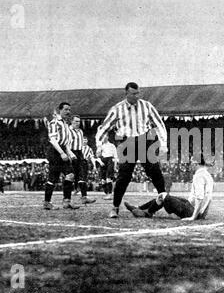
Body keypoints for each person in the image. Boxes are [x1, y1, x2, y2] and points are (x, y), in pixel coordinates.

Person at [95, 82, 168, 218]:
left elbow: (159, 124)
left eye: (138, 93)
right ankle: (115, 207)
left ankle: (166, 202)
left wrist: (163, 143)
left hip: (145, 140)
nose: (136, 96)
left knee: (155, 171)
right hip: (127, 142)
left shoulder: (146, 106)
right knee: (124, 176)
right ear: (126, 94)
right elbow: (104, 128)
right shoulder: (117, 109)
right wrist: (99, 145)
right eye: (133, 94)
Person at [124, 155, 214, 221]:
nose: (190, 165)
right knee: (163, 196)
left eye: (191, 162)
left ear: (195, 163)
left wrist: (194, 217)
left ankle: (147, 212)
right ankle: (140, 208)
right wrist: (203, 213)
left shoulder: (199, 176)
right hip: (193, 207)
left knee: (163, 196)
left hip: (191, 210)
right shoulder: (207, 175)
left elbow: (200, 197)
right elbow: (208, 198)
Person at [43, 102, 80, 210]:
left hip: (62, 150)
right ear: (60, 110)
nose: (68, 112)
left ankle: (67, 201)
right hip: (54, 151)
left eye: (69, 110)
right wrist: (62, 153)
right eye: (66, 109)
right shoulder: (55, 123)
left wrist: (70, 153)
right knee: (53, 178)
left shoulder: (65, 124)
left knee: (70, 175)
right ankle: (47, 202)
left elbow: (66, 142)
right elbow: (53, 140)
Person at [69, 115, 96, 205]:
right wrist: (70, 154)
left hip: (79, 153)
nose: (78, 123)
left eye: (79, 121)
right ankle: (67, 199)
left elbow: (80, 145)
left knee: (81, 175)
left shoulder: (80, 131)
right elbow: (66, 144)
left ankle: (84, 197)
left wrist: (80, 154)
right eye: (76, 121)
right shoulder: (68, 131)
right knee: (71, 176)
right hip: (71, 153)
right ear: (71, 121)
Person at [97, 135, 118, 200]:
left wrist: (115, 166)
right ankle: (106, 194)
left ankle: (110, 194)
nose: (104, 138)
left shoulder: (112, 145)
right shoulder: (100, 146)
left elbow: (115, 156)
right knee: (103, 180)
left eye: (105, 136)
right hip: (103, 161)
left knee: (109, 178)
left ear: (107, 137)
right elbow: (97, 156)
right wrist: (100, 161)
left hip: (110, 160)